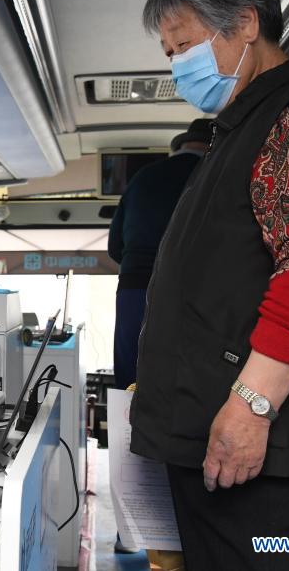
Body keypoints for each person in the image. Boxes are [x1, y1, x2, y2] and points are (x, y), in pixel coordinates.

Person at [131, 0, 289, 571]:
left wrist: (251, 407)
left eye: (182, 45)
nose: (175, 64)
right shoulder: (244, 129)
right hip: (233, 453)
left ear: (244, 23)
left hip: (270, 461)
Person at [108, 118, 213, 391]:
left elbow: (114, 247)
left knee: (131, 376)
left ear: (181, 145)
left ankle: (127, 432)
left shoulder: (142, 178)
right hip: (193, 289)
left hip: (135, 286)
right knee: (185, 381)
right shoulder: (216, 175)